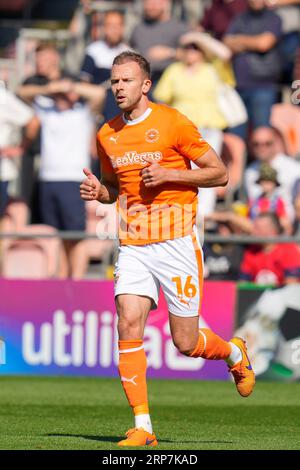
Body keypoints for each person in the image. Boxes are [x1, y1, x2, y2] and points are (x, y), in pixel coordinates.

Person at [80, 50, 255, 447]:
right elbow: (113, 189)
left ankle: (233, 353)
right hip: (134, 243)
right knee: (127, 321)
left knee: (186, 342)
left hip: (177, 242)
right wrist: (100, 192)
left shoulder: (173, 122)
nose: (118, 87)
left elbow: (220, 173)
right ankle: (143, 427)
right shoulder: (107, 133)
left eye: (126, 81)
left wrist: (171, 173)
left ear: (145, 85)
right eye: (114, 81)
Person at [224, 0, 282, 139]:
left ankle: (263, 162)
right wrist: (253, 42)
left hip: (263, 86)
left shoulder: (273, 18)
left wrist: (239, 41)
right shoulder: (240, 18)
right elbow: (227, 42)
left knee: (262, 136)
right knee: (235, 137)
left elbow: (264, 44)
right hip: (239, 85)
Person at [245, 127, 300, 218]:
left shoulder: (295, 168)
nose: (261, 148)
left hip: (287, 225)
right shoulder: (249, 172)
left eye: (267, 143)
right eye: (256, 144)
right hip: (257, 224)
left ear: (276, 143)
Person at [130, 0, 188, 84]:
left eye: (154, 3)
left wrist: (170, 53)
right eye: (147, 3)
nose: (150, 7)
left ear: (166, 2)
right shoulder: (138, 29)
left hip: (170, 83)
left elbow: (194, 56)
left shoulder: (180, 28)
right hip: (143, 83)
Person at [240, 212, 300, 285]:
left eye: (258, 228)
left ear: (272, 230)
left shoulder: (288, 250)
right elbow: (243, 283)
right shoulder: (252, 251)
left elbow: (291, 285)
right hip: (256, 295)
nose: (253, 232)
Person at [248, 163, 291, 233]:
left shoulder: (278, 202)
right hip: (255, 232)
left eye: (269, 182)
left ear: (274, 184)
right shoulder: (254, 202)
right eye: (264, 182)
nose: (266, 185)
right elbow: (249, 219)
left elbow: (284, 221)